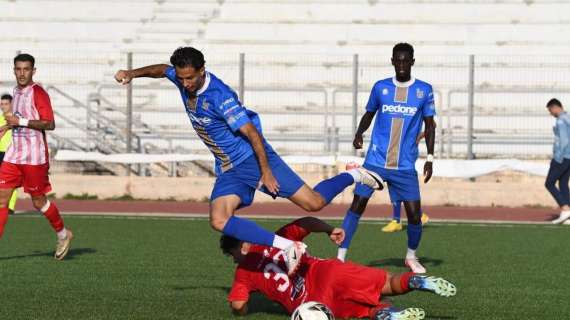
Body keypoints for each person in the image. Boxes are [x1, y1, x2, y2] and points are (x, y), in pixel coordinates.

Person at [114, 47, 384, 274]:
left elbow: (252, 133)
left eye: (190, 79)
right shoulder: (182, 76)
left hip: (253, 160)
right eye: (182, 79)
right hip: (229, 168)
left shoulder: (219, 97)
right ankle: (288, 247)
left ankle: (354, 174)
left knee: (313, 203)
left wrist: (265, 172)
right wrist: (131, 74)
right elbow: (163, 69)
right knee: (219, 220)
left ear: (202, 70)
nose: (185, 84)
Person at [222, 217, 456, 319]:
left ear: (242, 245)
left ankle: (388, 314)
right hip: (327, 271)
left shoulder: (244, 274)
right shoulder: (277, 238)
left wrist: (239, 309)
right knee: (384, 282)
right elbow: (305, 223)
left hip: (311, 302)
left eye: (232, 255)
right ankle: (416, 281)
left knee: (364, 310)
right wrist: (328, 229)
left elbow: (239, 305)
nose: (234, 261)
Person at [337, 43, 436, 273]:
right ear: (392, 61)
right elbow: (369, 114)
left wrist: (430, 158)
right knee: (357, 205)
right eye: (398, 60)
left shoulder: (424, 90)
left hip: (404, 165)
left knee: (414, 215)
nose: (401, 65)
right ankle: (340, 257)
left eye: (406, 61)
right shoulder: (380, 88)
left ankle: (411, 257)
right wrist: (359, 133)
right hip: (375, 162)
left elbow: (430, 126)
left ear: (412, 61)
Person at [0, 54, 73, 260]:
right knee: (1, 199)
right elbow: (19, 118)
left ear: (34, 71)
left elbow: (49, 123)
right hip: (14, 155)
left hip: (34, 157)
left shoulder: (38, 92)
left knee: (38, 201)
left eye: (26, 69)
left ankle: (63, 234)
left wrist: (20, 122)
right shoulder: (15, 91)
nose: (22, 73)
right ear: (14, 70)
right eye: (18, 69)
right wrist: (7, 126)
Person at [382, 129, 434, 233]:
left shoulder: (418, 113)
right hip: (396, 151)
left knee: (400, 184)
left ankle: (399, 220)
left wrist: (419, 136)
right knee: (393, 184)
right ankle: (411, 217)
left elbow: (432, 124)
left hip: (406, 154)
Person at [545, 98, 570, 224]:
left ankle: (565, 208)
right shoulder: (568, 118)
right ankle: (569, 215)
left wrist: (557, 158)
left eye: (550, 110)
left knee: (549, 183)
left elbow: (564, 141)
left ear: (555, 107)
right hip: (569, 157)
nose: (551, 113)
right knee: (563, 184)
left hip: (563, 157)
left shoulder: (560, 121)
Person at [0, 94, 19, 215]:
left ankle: (10, 207)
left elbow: (15, 125)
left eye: (6, 104)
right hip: (0, 152)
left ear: (11, 104)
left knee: (12, 181)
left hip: (11, 153)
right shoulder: (1, 118)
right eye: (1, 104)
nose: (3, 106)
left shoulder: (15, 118)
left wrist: (5, 127)